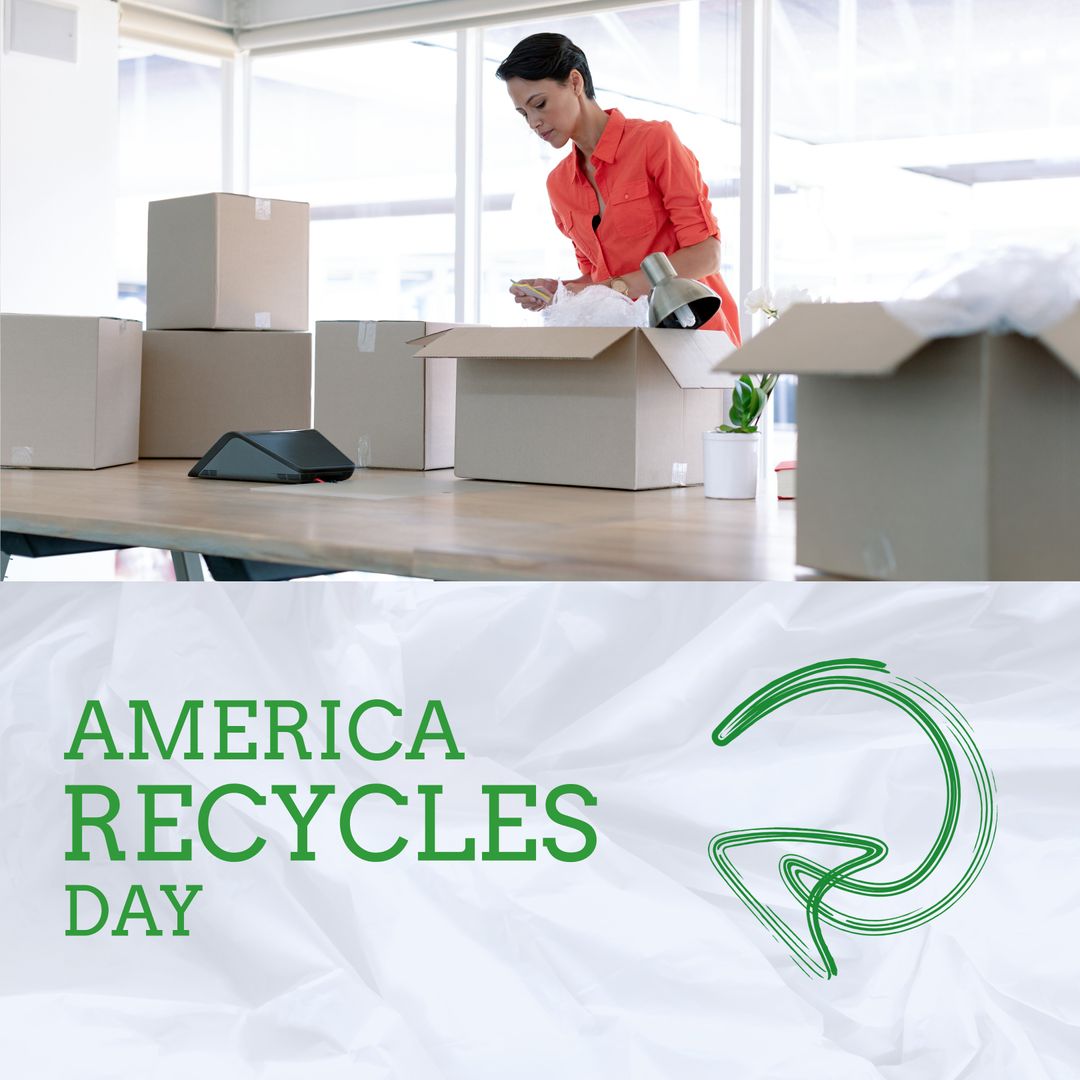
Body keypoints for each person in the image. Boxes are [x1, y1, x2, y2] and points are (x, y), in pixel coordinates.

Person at [497, 32, 741, 345]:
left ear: (574, 82)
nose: (533, 122)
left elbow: (706, 256)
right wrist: (560, 291)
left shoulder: (654, 142)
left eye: (539, 105)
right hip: (624, 349)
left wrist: (619, 288)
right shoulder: (559, 185)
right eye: (524, 113)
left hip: (696, 337)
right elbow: (599, 278)